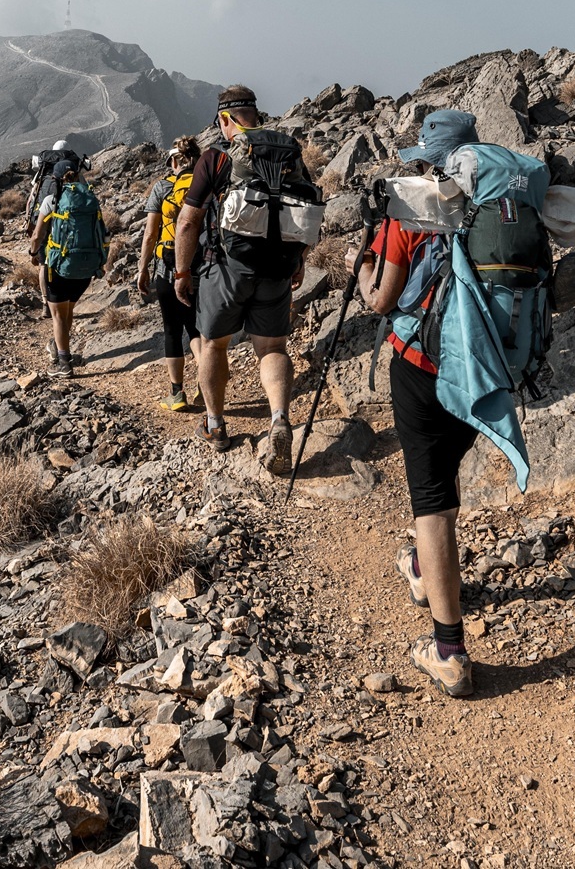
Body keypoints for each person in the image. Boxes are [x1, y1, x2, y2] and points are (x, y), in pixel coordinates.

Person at [348, 108, 484, 697]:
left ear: (427, 161)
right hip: (484, 371)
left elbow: (381, 302)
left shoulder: (408, 210)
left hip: (422, 367)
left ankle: (448, 651)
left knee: (431, 505)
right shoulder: (500, 204)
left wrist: (362, 272)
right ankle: (427, 570)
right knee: (444, 484)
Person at [172, 86, 315, 464]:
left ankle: (216, 424)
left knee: (215, 344)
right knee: (272, 348)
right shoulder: (289, 151)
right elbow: (307, 209)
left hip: (227, 269)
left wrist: (182, 271)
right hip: (278, 267)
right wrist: (298, 260)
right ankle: (280, 419)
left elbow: (188, 222)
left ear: (223, 120)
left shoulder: (216, 158)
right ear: (255, 113)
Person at [137, 136, 201, 410]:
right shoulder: (205, 186)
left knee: (172, 330)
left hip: (167, 267)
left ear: (174, 161)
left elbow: (151, 234)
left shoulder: (162, 187)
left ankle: (176, 394)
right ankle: (206, 383)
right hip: (201, 267)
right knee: (197, 328)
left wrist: (143, 269)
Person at [29, 157, 106, 376]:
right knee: (68, 309)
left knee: (59, 316)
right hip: (86, 266)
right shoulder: (91, 199)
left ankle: (63, 363)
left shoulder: (52, 201)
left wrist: (34, 253)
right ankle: (60, 347)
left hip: (59, 266)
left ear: (55, 179)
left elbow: (37, 235)